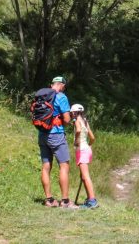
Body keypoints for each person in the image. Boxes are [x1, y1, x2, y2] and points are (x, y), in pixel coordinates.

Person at [39, 75, 77, 208]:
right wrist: (67, 119)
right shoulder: (61, 97)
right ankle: (65, 201)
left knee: (46, 166)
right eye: (64, 87)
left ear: (52, 84)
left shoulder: (42, 96)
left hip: (42, 134)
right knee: (64, 165)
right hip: (56, 135)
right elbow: (66, 120)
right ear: (61, 85)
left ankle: (49, 200)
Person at [70, 104, 99, 209]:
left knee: (85, 176)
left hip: (82, 150)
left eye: (72, 112)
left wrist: (76, 142)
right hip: (86, 149)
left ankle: (92, 201)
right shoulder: (85, 121)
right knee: (83, 176)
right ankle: (89, 199)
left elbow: (78, 131)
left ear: (75, 112)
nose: (71, 114)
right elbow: (92, 137)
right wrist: (89, 145)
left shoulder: (77, 121)